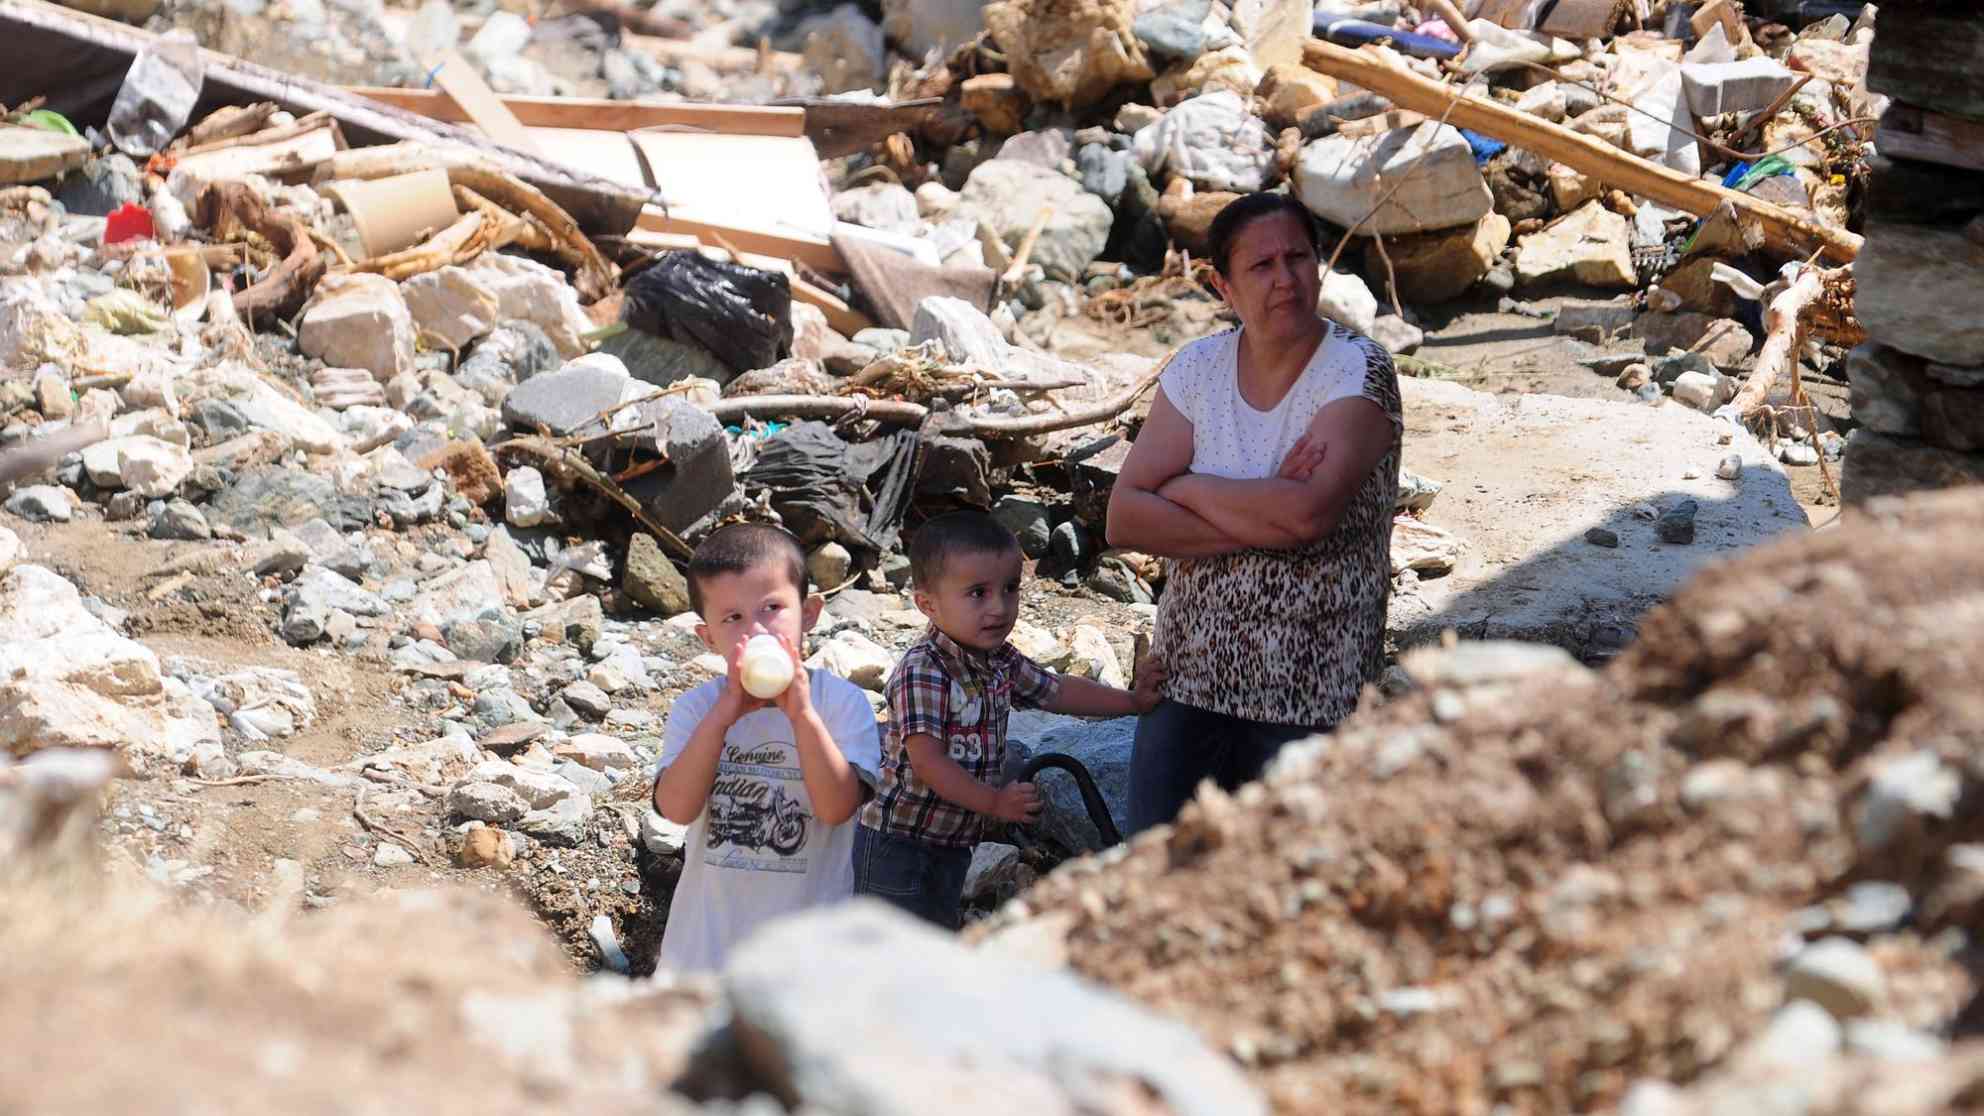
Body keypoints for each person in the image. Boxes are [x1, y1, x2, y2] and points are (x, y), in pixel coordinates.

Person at [1105, 191, 1402, 835]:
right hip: (1187, 672)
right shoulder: (1197, 371)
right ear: (1223, 286)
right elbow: (1124, 519)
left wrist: (1183, 485)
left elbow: (1305, 517)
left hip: (1311, 681)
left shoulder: (1357, 370)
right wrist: (1262, 507)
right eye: (1261, 266)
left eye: (1298, 258)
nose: (1285, 278)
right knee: (1154, 870)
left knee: (1281, 884)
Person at [853, 511, 1164, 929]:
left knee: (938, 929)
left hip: (951, 839)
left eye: (1010, 588)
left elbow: (1057, 691)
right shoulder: (924, 672)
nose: (999, 607)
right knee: (891, 942)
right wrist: (994, 802)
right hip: (899, 843)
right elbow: (929, 763)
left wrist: (1132, 702)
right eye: (978, 593)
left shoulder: (998, 660)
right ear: (927, 603)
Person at [651, 523, 881, 973]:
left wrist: (801, 715)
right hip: (704, 948)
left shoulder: (841, 705)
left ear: (810, 613)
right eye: (732, 618)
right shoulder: (697, 710)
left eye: (772, 608)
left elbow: (836, 808)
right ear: (708, 637)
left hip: (809, 955)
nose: (755, 631)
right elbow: (675, 810)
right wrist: (724, 715)